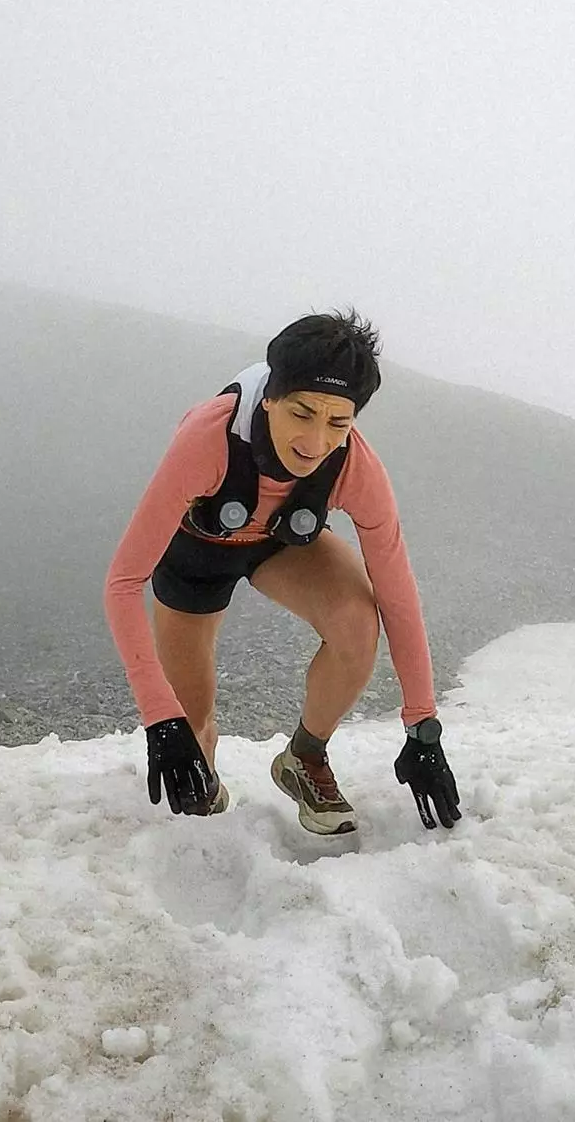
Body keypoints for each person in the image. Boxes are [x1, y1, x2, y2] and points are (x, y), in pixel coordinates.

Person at [103, 309, 461, 835]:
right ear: (270, 396)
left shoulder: (356, 466)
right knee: (192, 730)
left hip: (284, 544)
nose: (315, 442)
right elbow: (123, 583)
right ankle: (206, 775)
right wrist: (161, 718)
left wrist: (422, 725)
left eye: (338, 422)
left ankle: (304, 758)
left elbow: (398, 595)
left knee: (359, 624)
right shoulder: (207, 440)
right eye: (302, 412)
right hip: (197, 556)